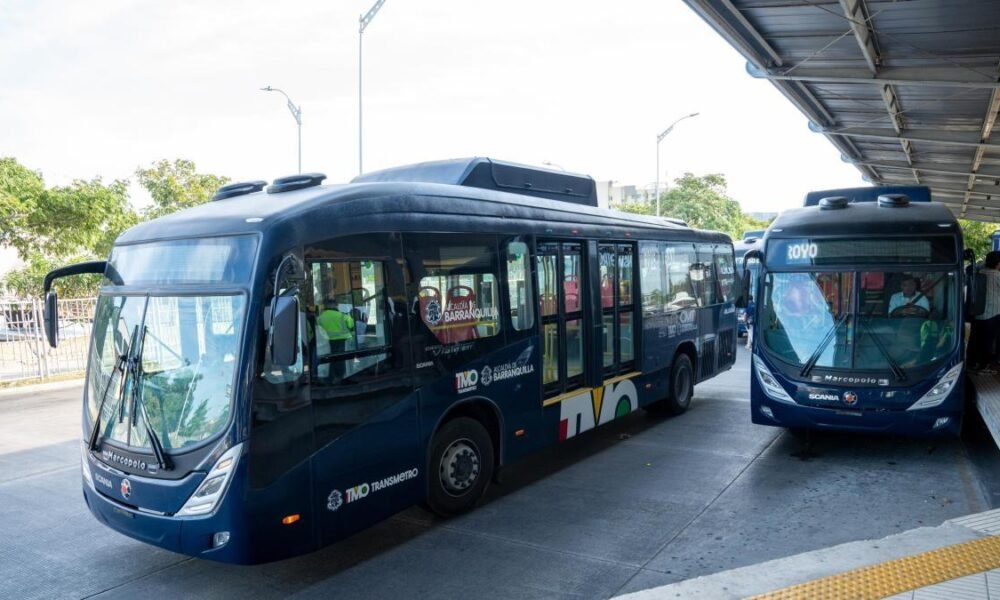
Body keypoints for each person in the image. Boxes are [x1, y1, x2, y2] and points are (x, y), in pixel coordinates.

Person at [971, 251, 1000, 372]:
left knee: (977, 339)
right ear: (998, 264)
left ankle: (973, 363)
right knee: (990, 340)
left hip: (978, 313)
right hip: (993, 313)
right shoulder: (998, 276)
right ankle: (985, 365)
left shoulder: (978, 274)